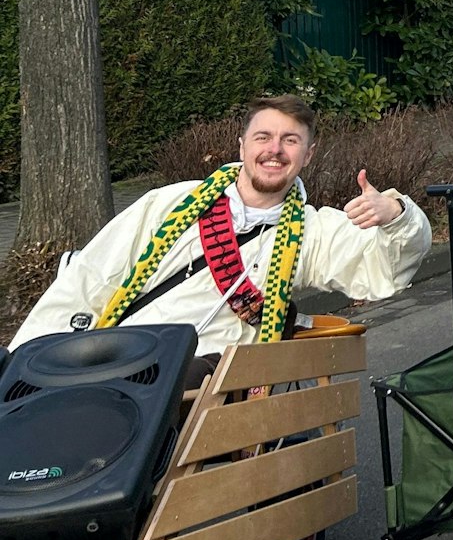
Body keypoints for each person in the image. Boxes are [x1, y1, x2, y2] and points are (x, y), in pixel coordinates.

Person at [12, 95, 430, 382]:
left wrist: (396, 215)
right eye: (264, 137)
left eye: (291, 140)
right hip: (117, 355)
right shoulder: (172, 201)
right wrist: (25, 359)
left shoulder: (314, 230)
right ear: (243, 144)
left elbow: (384, 269)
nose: (275, 150)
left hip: (203, 379)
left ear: (309, 154)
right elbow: (90, 276)